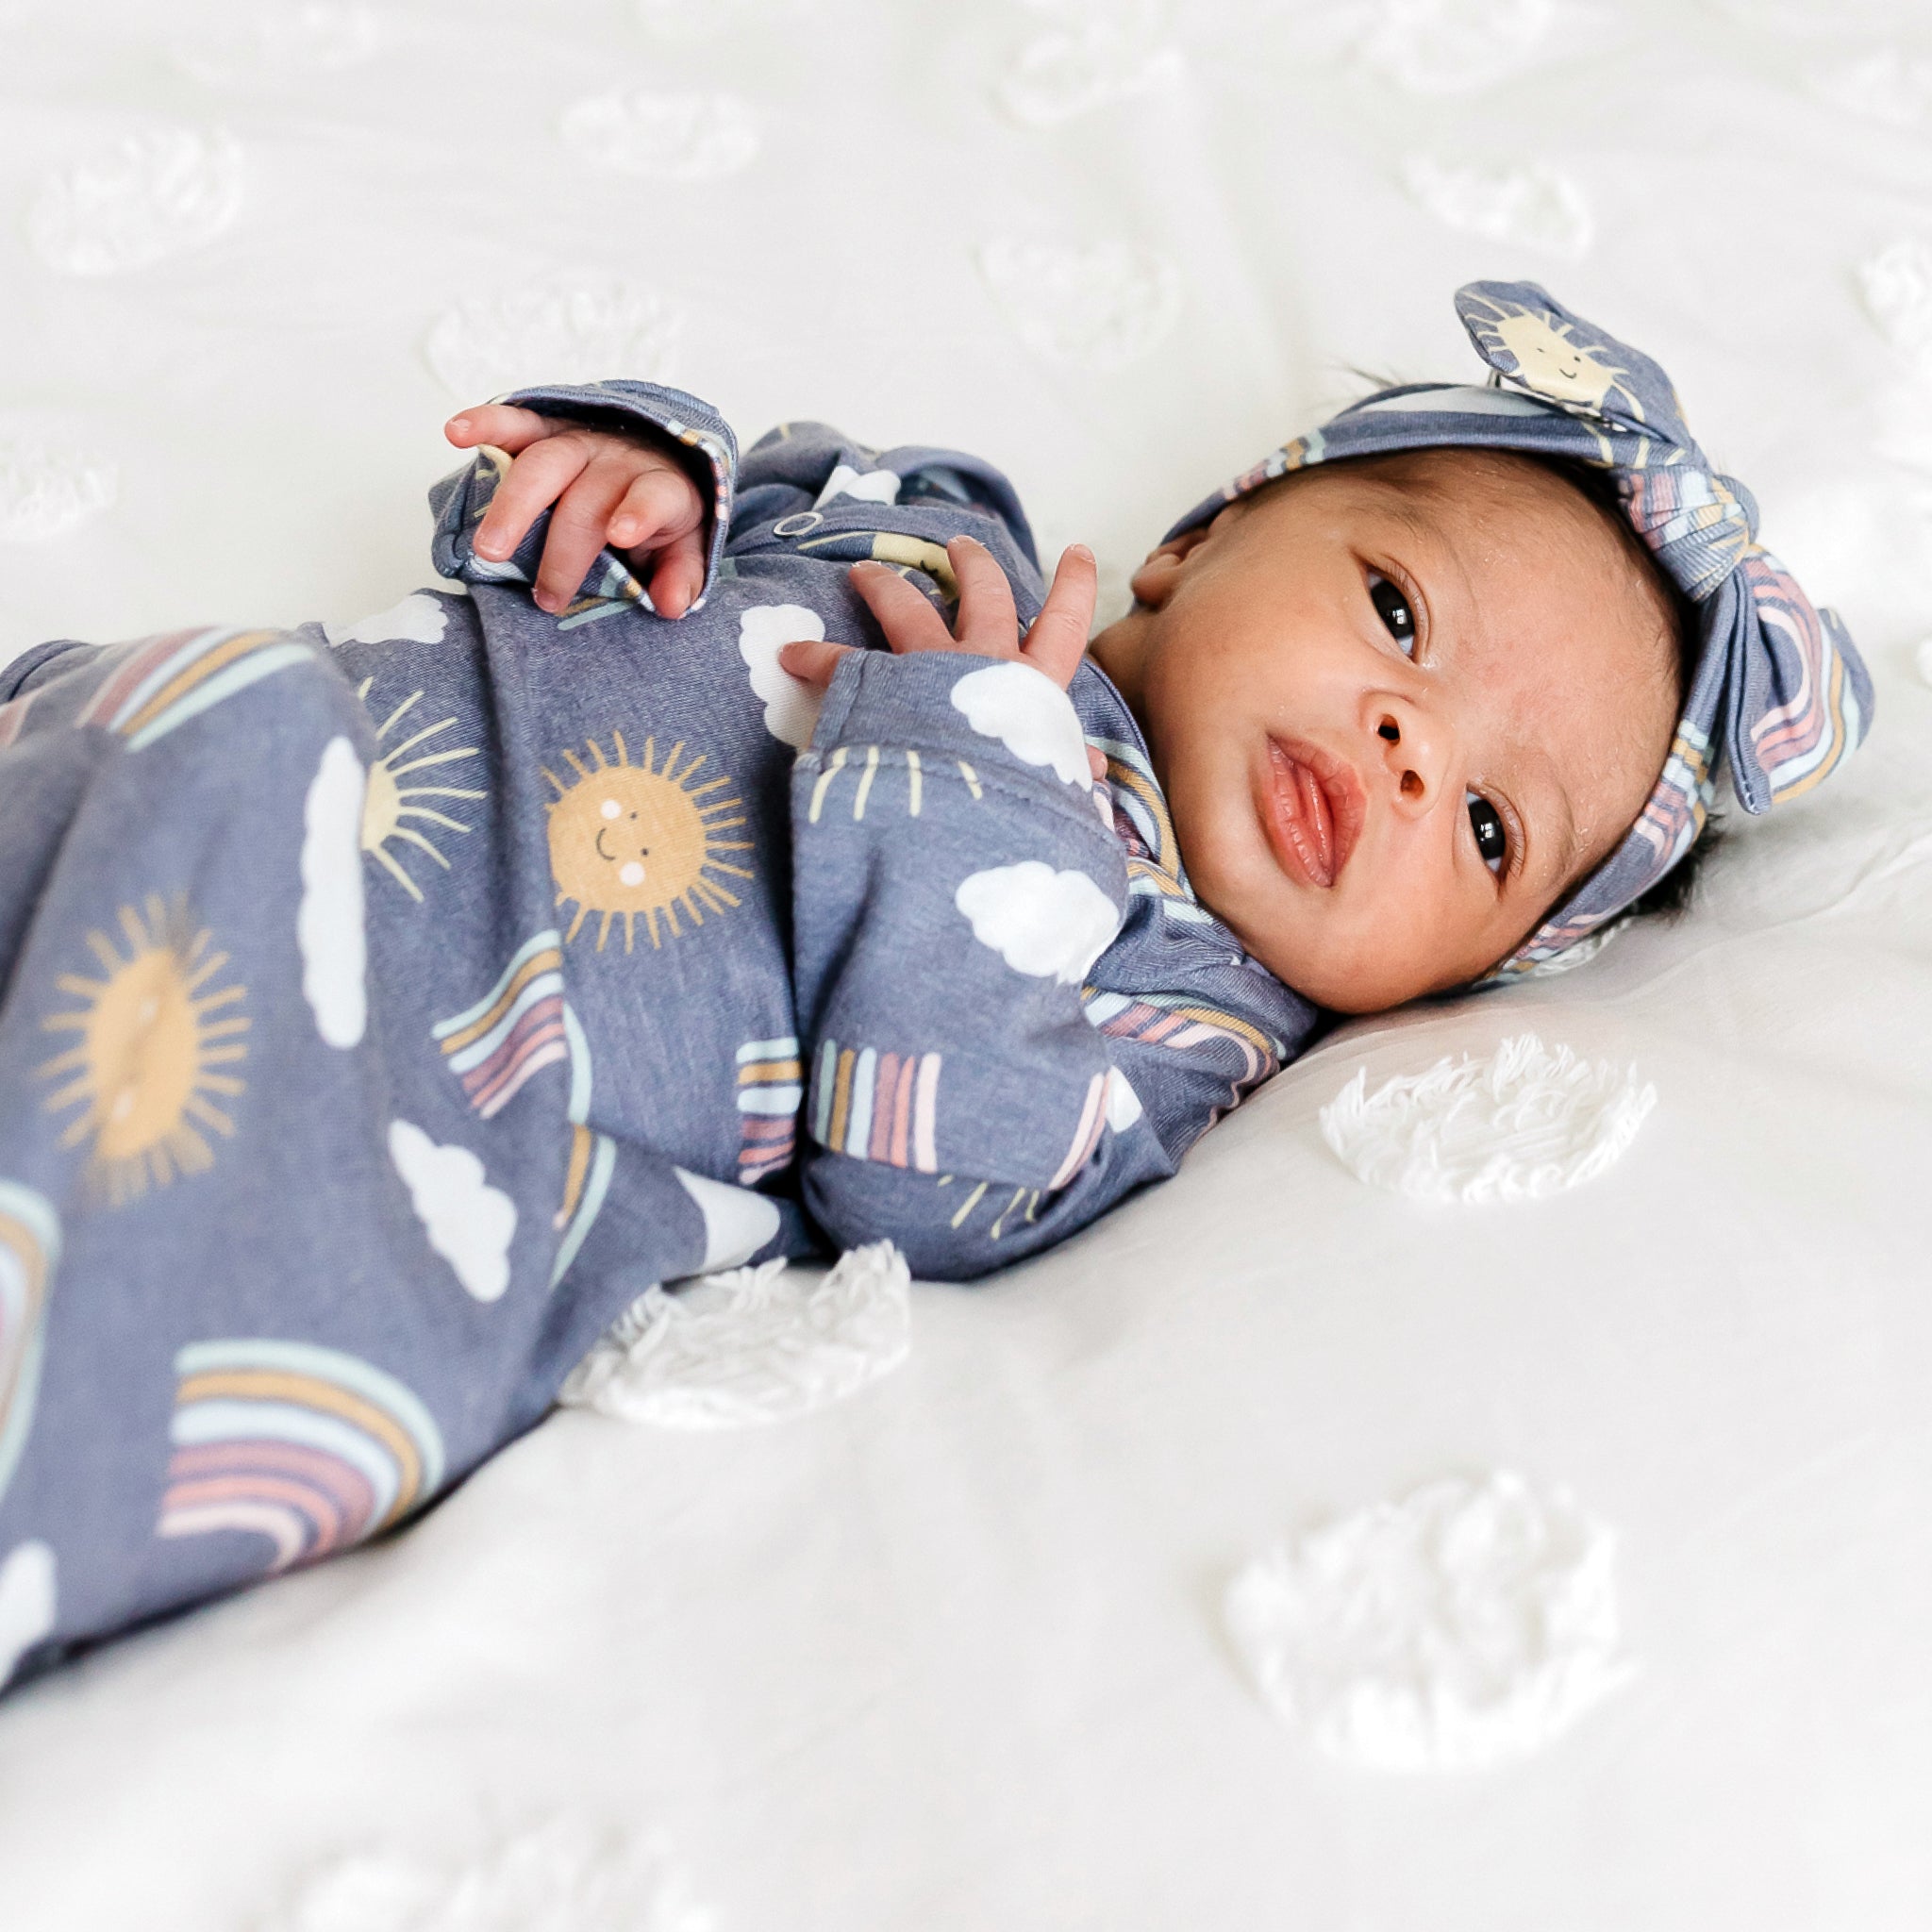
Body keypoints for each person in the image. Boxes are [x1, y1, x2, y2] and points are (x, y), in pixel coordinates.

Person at [0, 282, 1873, 1686]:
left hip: (432, 1098)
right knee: (192, 732)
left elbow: (937, 1179)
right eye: (1397, 613)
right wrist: (628, 473)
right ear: (1198, 541)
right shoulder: (941, 536)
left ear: (1458, 979)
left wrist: (964, 774)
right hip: (261, 759)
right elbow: (627, 538)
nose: (1408, 746)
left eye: (1483, 826)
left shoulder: (1182, 1006)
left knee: (253, 1318)